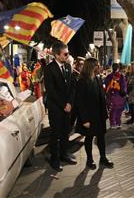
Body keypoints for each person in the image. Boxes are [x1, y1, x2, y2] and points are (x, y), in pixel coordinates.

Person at [75, 57, 113, 169]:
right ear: (91, 67)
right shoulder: (82, 81)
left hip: (99, 115)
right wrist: (85, 119)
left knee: (101, 137)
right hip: (89, 116)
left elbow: (102, 97)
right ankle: (90, 160)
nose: (99, 67)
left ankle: (103, 158)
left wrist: (105, 113)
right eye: (97, 65)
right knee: (89, 137)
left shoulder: (98, 79)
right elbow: (80, 102)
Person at [44, 41, 76, 172]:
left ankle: (64, 154)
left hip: (67, 107)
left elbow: (72, 86)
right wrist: (64, 105)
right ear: (57, 55)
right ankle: (54, 159)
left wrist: (69, 103)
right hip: (56, 108)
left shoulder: (68, 67)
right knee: (55, 133)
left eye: (68, 54)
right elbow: (51, 91)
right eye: (65, 54)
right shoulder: (49, 69)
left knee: (65, 132)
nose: (67, 56)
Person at [105, 63, 127, 129]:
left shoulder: (109, 76)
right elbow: (124, 86)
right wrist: (123, 92)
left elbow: (106, 86)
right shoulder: (122, 76)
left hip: (111, 96)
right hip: (119, 96)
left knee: (112, 111)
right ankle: (118, 123)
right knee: (118, 110)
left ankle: (113, 123)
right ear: (118, 68)